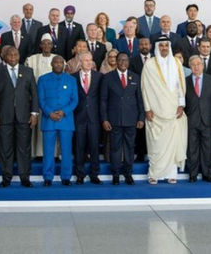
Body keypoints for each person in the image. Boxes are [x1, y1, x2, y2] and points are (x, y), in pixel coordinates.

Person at [0, 47, 38, 188]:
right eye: (10, 55)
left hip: (24, 116)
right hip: (4, 117)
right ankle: (6, 178)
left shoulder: (28, 71)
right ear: (4, 56)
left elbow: (34, 94)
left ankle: (25, 177)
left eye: (15, 54)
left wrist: (34, 113)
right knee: (5, 149)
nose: (12, 57)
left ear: (19, 56)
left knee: (24, 149)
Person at [141, 36, 187, 184]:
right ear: (157, 47)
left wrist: (181, 105)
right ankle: (154, 174)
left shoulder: (176, 63)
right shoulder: (149, 64)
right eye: (161, 46)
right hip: (155, 111)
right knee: (156, 145)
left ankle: (171, 174)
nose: (164, 48)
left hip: (173, 110)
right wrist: (147, 108)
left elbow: (180, 86)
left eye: (166, 45)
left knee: (172, 144)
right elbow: (144, 88)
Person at [100, 52, 144, 185]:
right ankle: (116, 174)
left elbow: (140, 99)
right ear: (116, 61)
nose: (123, 63)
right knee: (115, 148)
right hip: (114, 119)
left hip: (131, 119)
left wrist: (141, 118)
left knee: (130, 148)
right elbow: (103, 100)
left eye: (125, 60)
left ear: (128, 62)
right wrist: (104, 119)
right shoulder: (108, 77)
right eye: (120, 60)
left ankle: (128, 173)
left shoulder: (135, 77)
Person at [37, 55, 78, 186]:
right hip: (49, 120)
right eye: (56, 62)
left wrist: (64, 111)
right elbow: (41, 100)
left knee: (66, 151)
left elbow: (75, 100)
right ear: (51, 64)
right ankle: (47, 177)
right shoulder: (43, 79)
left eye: (61, 62)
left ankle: (66, 177)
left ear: (64, 65)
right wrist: (49, 113)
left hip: (66, 120)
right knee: (48, 151)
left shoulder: (71, 80)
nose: (58, 64)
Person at [184, 55, 211, 182]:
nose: (196, 67)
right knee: (192, 148)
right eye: (193, 65)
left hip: (207, 118)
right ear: (190, 67)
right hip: (191, 119)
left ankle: (207, 173)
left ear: (203, 66)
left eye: (198, 64)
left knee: (207, 147)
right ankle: (193, 174)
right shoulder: (185, 81)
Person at [25, 34, 57, 158]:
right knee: (37, 127)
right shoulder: (32, 59)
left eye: (49, 43)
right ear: (40, 45)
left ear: (52, 45)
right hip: (37, 99)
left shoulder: (58, 59)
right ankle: (37, 153)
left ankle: (54, 154)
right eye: (44, 43)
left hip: (54, 102)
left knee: (52, 126)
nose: (47, 46)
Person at [74, 52, 103, 184]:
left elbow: (102, 98)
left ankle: (94, 174)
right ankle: (80, 175)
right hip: (78, 117)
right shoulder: (72, 77)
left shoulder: (99, 77)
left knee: (94, 147)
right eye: (86, 60)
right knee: (79, 147)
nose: (89, 62)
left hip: (94, 118)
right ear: (80, 62)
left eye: (90, 60)